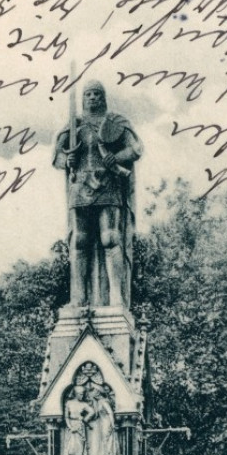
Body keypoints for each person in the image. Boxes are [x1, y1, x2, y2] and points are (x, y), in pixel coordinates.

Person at [53, 81, 142, 308]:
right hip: (80, 187)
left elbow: (135, 149)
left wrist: (117, 157)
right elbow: (58, 158)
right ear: (83, 99)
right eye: (88, 94)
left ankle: (116, 298)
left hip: (107, 184)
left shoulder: (115, 123)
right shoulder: (74, 126)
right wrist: (68, 160)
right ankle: (78, 298)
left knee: (110, 238)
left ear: (104, 97)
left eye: (96, 94)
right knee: (80, 241)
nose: (92, 98)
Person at [62, 385, 95, 455]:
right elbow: (66, 417)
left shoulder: (84, 404)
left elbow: (92, 412)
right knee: (71, 447)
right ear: (75, 394)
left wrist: (84, 419)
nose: (82, 396)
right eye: (80, 394)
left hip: (80, 426)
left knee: (79, 448)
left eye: (83, 394)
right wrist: (70, 427)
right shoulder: (69, 403)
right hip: (71, 426)